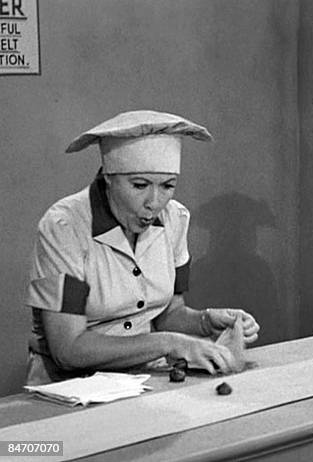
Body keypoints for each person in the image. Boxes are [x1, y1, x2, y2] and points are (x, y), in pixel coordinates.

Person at [24, 110, 260, 385]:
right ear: (108, 178)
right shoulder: (64, 227)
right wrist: (168, 344)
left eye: (168, 186)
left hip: (144, 379)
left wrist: (206, 322)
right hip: (68, 388)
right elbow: (68, 349)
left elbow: (168, 314)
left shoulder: (175, 218)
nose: (155, 202)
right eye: (139, 185)